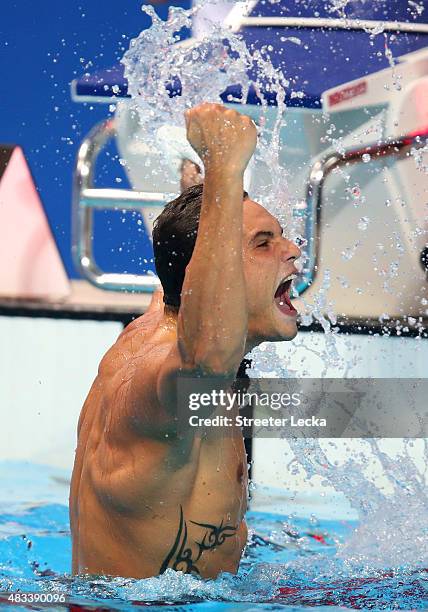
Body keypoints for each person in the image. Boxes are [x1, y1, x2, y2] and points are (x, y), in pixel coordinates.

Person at [69, 103, 301, 580]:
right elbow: (208, 352)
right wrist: (223, 166)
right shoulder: (168, 382)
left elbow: (189, 281)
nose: (293, 250)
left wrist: (203, 197)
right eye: (263, 243)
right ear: (219, 275)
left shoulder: (163, 317)